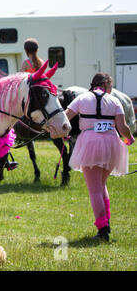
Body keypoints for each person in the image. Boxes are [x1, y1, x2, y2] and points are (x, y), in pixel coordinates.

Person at [64, 73, 135, 241]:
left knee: (94, 189)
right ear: (104, 84)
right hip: (111, 143)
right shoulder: (114, 101)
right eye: (110, 86)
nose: (111, 89)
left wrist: (63, 133)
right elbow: (122, 127)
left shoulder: (82, 98)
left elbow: (65, 117)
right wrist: (130, 138)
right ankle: (106, 222)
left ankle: (103, 230)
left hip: (90, 143)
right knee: (101, 185)